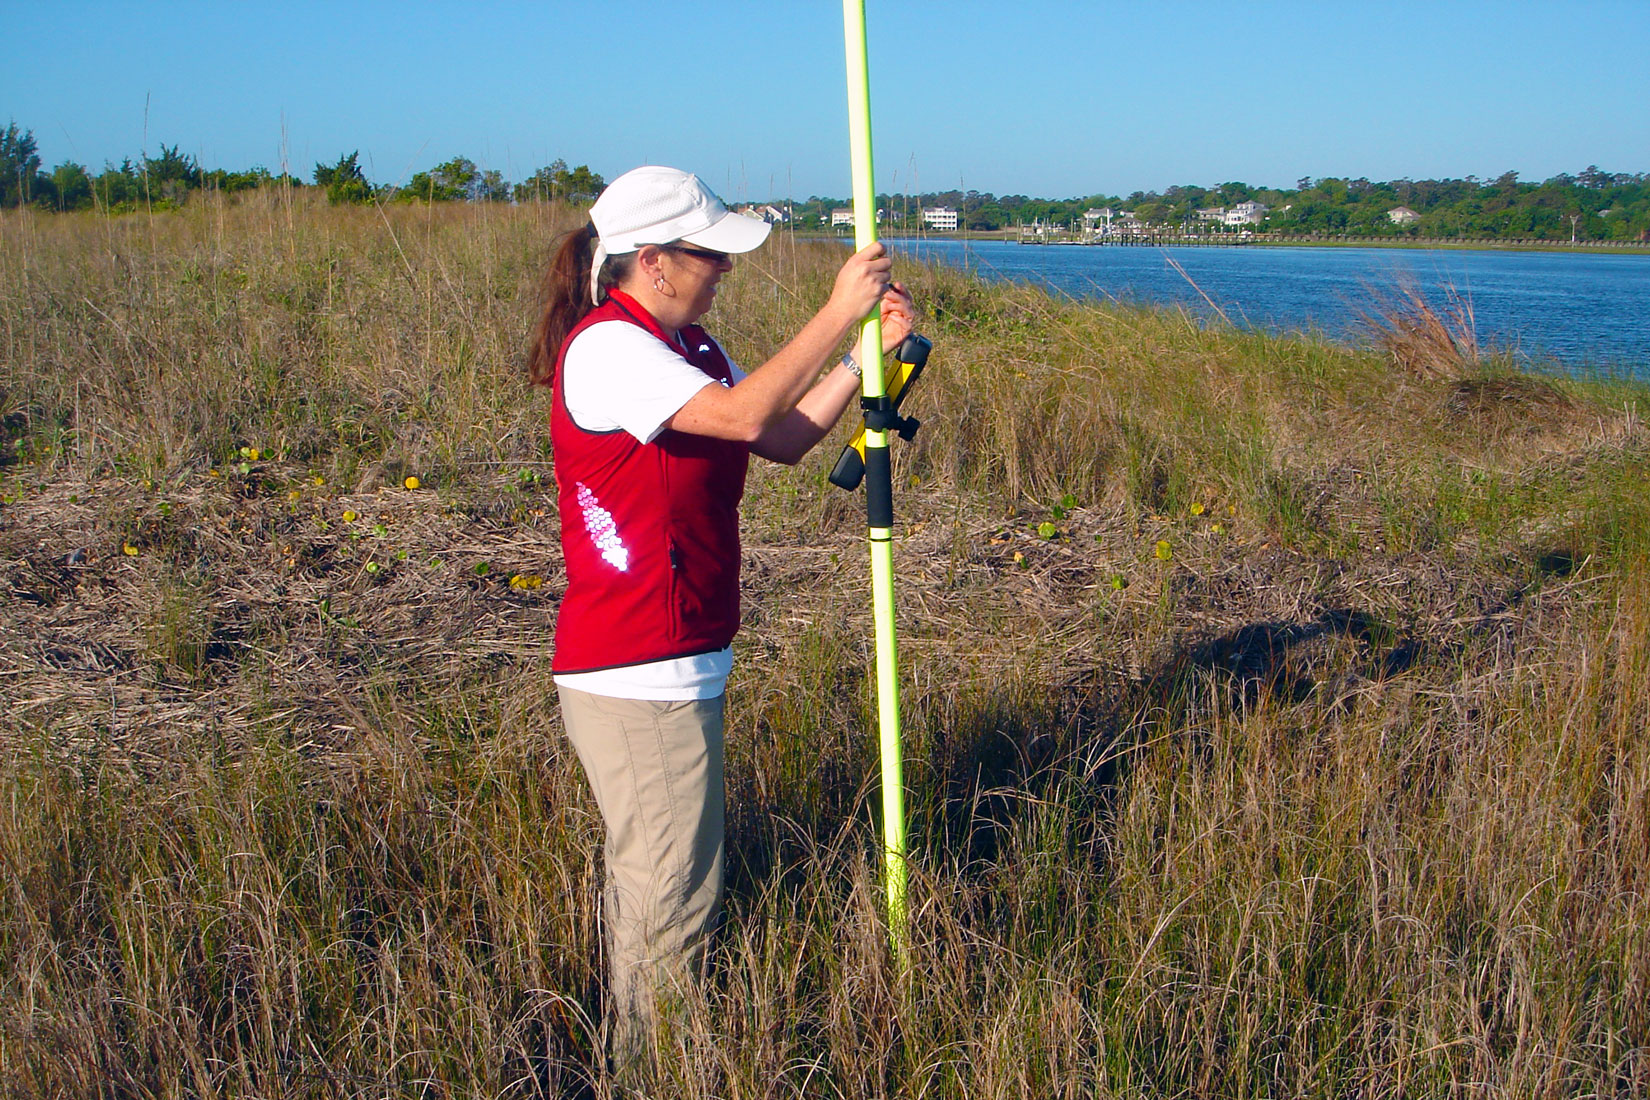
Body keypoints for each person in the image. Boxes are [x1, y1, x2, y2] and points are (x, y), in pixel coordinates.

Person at [526, 165, 913, 1077]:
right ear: (653, 260)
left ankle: (634, 1061)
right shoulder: (608, 350)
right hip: (636, 670)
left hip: (680, 656)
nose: (724, 271)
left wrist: (867, 357)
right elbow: (745, 416)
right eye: (711, 255)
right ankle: (651, 1073)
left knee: (656, 889)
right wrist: (834, 309)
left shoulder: (686, 347)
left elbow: (777, 436)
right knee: (676, 905)